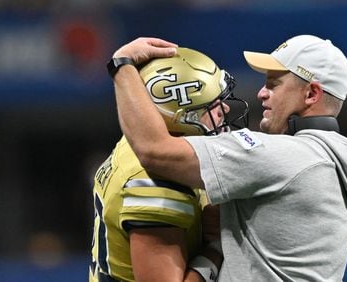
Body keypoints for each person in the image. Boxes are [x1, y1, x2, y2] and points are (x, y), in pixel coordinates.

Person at [108, 35, 347, 281]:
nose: (262, 92)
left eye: (274, 83)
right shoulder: (332, 158)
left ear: (311, 94)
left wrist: (123, 65)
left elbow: (154, 150)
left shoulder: (283, 157)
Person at [90, 46, 249, 282]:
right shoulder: (158, 182)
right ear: (184, 118)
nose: (225, 109)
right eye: (213, 105)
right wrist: (217, 245)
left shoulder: (139, 143)